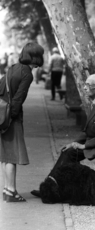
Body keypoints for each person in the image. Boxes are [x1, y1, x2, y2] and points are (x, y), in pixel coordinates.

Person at [31, 73, 95, 198]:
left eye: (88, 85)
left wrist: (83, 146)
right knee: (66, 150)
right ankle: (50, 185)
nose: (85, 88)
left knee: (70, 154)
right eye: (85, 85)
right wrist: (73, 143)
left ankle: (54, 189)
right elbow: (87, 131)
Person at [0, 42, 44, 202]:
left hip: (2, 115)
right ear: (36, 56)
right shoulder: (27, 73)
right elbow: (19, 98)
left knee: (5, 155)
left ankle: (6, 189)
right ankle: (11, 191)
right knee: (12, 155)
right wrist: (11, 117)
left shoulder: (13, 67)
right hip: (12, 118)